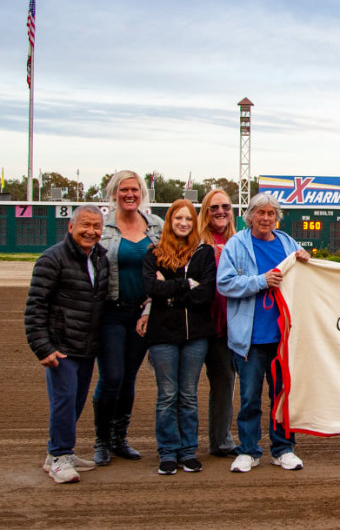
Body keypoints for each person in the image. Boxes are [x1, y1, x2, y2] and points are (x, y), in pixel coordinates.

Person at [217, 193, 310, 473]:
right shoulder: (236, 245)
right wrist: (261, 281)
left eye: (271, 214)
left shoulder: (287, 243)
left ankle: (283, 449)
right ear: (250, 216)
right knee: (249, 397)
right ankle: (248, 450)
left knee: (282, 397)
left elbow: (304, 275)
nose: (266, 218)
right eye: (261, 213)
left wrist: (306, 258)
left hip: (283, 338)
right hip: (250, 339)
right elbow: (225, 283)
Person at [25, 206, 110, 483]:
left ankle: (56, 455)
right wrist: (43, 347)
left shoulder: (100, 258)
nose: (91, 231)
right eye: (85, 225)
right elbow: (35, 307)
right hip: (61, 346)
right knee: (63, 401)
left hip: (86, 346)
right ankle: (61, 456)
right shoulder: (52, 259)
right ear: (70, 227)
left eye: (97, 226)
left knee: (75, 401)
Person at [140, 200, 217, 475]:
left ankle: (188, 452)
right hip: (162, 334)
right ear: (170, 222)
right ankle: (168, 453)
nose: (183, 223)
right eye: (178, 218)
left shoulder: (204, 252)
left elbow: (205, 294)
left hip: (196, 334)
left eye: (188, 219)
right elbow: (151, 288)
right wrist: (186, 284)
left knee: (188, 395)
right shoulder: (154, 253)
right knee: (167, 395)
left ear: (194, 223)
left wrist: (169, 290)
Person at [93, 170, 163, 465]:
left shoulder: (156, 226)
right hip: (111, 311)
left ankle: (120, 437)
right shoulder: (102, 226)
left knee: (129, 377)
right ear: (114, 193)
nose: (129, 194)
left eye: (134, 189)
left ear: (141, 193)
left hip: (143, 313)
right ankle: (101, 440)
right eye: (124, 190)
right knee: (111, 377)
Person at [197, 189, 239, 458]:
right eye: (214, 207)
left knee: (224, 383)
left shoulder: (239, 241)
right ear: (205, 211)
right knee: (184, 389)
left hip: (226, 326)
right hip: (195, 323)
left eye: (225, 206)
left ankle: (221, 441)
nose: (220, 211)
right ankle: (181, 444)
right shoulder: (193, 240)